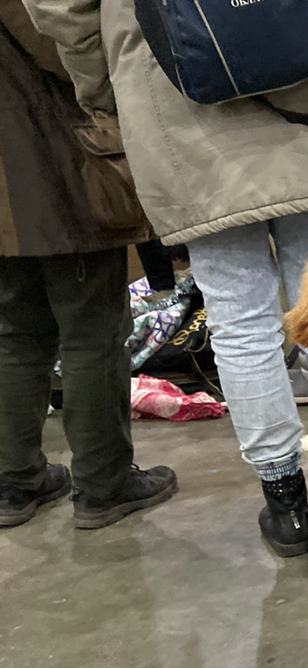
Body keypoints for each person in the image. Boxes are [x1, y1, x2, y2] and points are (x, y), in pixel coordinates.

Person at [27, 0, 308, 558]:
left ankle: (286, 503)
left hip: (175, 90)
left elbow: (61, 8)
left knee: (239, 320)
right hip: (307, 74)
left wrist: (103, 82)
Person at [0, 0, 176, 529]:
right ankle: (104, 484)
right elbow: (64, 39)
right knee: (92, 331)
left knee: (12, 332)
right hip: (57, 163)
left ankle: (15, 482)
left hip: (10, 180)